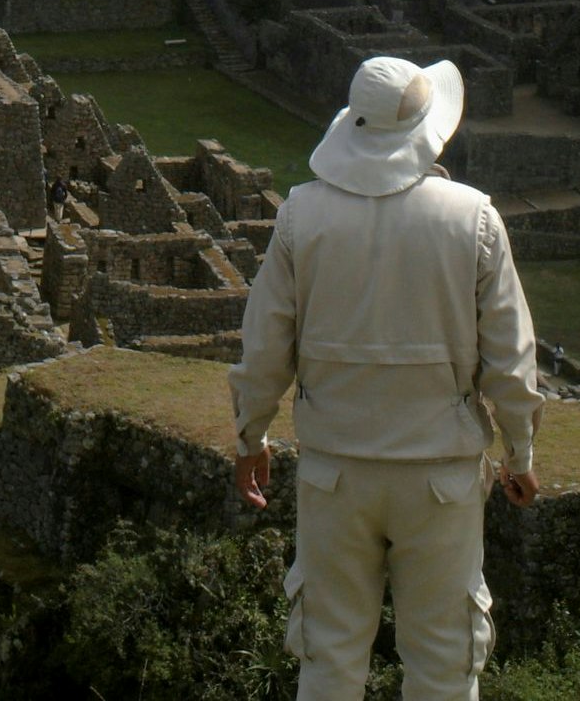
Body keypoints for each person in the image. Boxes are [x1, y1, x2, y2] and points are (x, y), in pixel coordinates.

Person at [228, 56, 546, 701]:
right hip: (440, 476)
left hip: (333, 474)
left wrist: (250, 439)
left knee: (329, 658)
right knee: (443, 664)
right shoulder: (473, 218)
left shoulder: (302, 216)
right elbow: (510, 360)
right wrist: (520, 453)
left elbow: (264, 347)